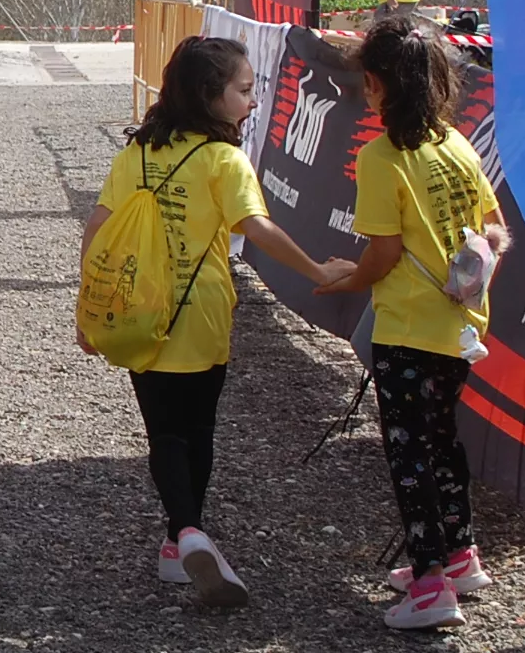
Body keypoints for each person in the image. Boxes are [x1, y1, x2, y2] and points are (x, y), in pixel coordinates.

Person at [80, 36, 354, 609]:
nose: (254, 101)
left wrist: (88, 308)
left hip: (136, 307)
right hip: (199, 311)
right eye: (245, 90)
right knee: (197, 429)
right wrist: (316, 270)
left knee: (162, 431)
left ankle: (178, 538)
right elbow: (257, 229)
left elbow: (97, 227)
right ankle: (186, 533)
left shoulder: (138, 153)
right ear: (211, 96)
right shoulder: (224, 160)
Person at [315, 15, 509, 632]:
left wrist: (344, 277)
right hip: (460, 327)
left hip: (406, 333)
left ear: (375, 85)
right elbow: (494, 225)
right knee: (443, 441)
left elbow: (382, 256)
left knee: (409, 456)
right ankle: (459, 554)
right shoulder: (455, 143)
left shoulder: (381, 158)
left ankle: (429, 585)